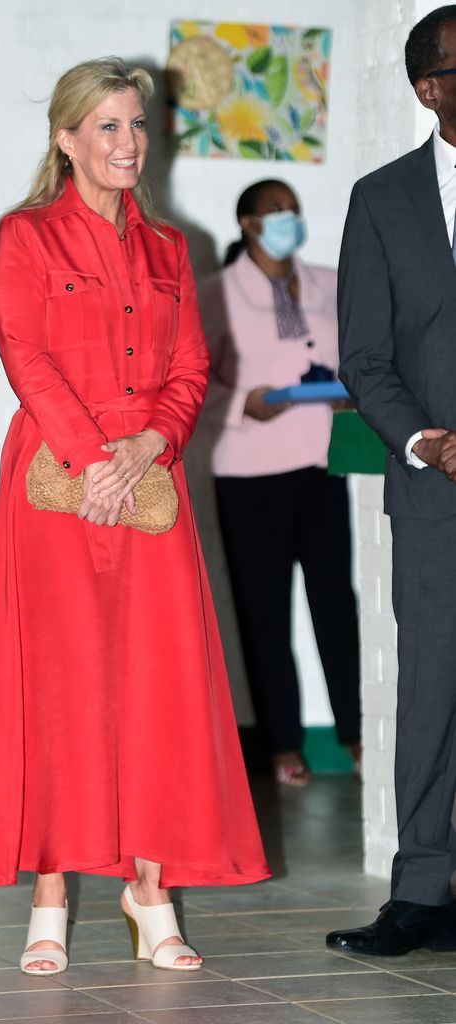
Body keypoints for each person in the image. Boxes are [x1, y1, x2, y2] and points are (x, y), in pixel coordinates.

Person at [0, 57, 269, 976]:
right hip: (57, 483)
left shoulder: (173, 249)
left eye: (136, 126)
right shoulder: (23, 237)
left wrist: (146, 448)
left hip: (147, 482)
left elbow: (189, 371)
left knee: (155, 689)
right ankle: (50, 897)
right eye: (105, 126)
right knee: (60, 688)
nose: (127, 143)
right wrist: (94, 458)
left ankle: (149, 892)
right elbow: (25, 357)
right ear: (65, 140)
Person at [326, 6, 456, 956]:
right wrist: (427, 442)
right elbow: (363, 357)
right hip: (435, 490)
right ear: (429, 88)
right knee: (434, 692)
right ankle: (419, 895)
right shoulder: (381, 198)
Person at [197, 180, 361, 788]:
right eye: (273, 213)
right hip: (248, 473)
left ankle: (356, 734)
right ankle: (282, 745)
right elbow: (190, 382)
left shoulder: (331, 282)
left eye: (293, 209)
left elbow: (362, 355)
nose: (286, 220)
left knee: (335, 605)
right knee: (263, 614)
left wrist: (354, 394)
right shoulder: (215, 294)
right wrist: (245, 402)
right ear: (246, 223)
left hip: (322, 464)